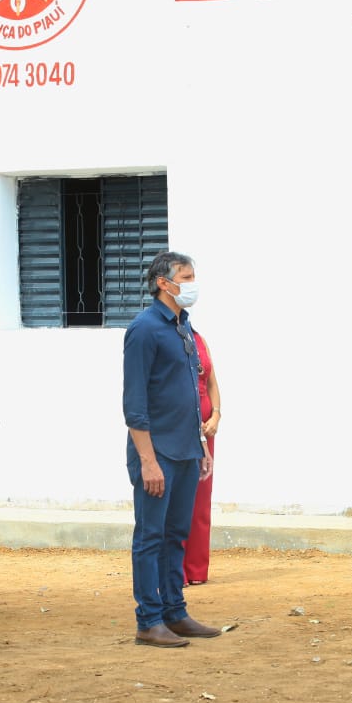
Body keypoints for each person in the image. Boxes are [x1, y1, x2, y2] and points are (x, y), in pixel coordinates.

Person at [123, 251, 218, 648]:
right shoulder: (145, 329)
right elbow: (134, 402)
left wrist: (201, 446)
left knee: (176, 534)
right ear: (164, 283)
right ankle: (149, 619)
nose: (193, 283)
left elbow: (195, 393)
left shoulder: (183, 326)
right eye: (187, 276)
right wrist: (148, 461)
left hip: (186, 450)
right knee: (151, 536)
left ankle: (175, 612)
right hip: (157, 453)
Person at [183, 328, 221, 586]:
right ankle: (178, 571)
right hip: (183, 426)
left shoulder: (199, 339)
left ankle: (197, 569)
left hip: (207, 429)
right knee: (181, 500)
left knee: (201, 500)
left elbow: (211, 383)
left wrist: (216, 415)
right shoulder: (167, 340)